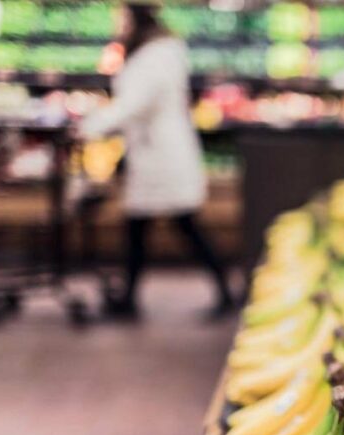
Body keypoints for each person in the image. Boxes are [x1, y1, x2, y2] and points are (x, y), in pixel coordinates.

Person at [78, 0, 235, 319]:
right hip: (153, 152)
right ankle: (130, 298)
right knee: (141, 227)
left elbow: (135, 104)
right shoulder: (160, 53)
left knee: (183, 226)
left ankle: (222, 290)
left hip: (162, 155)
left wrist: (92, 125)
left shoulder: (155, 57)